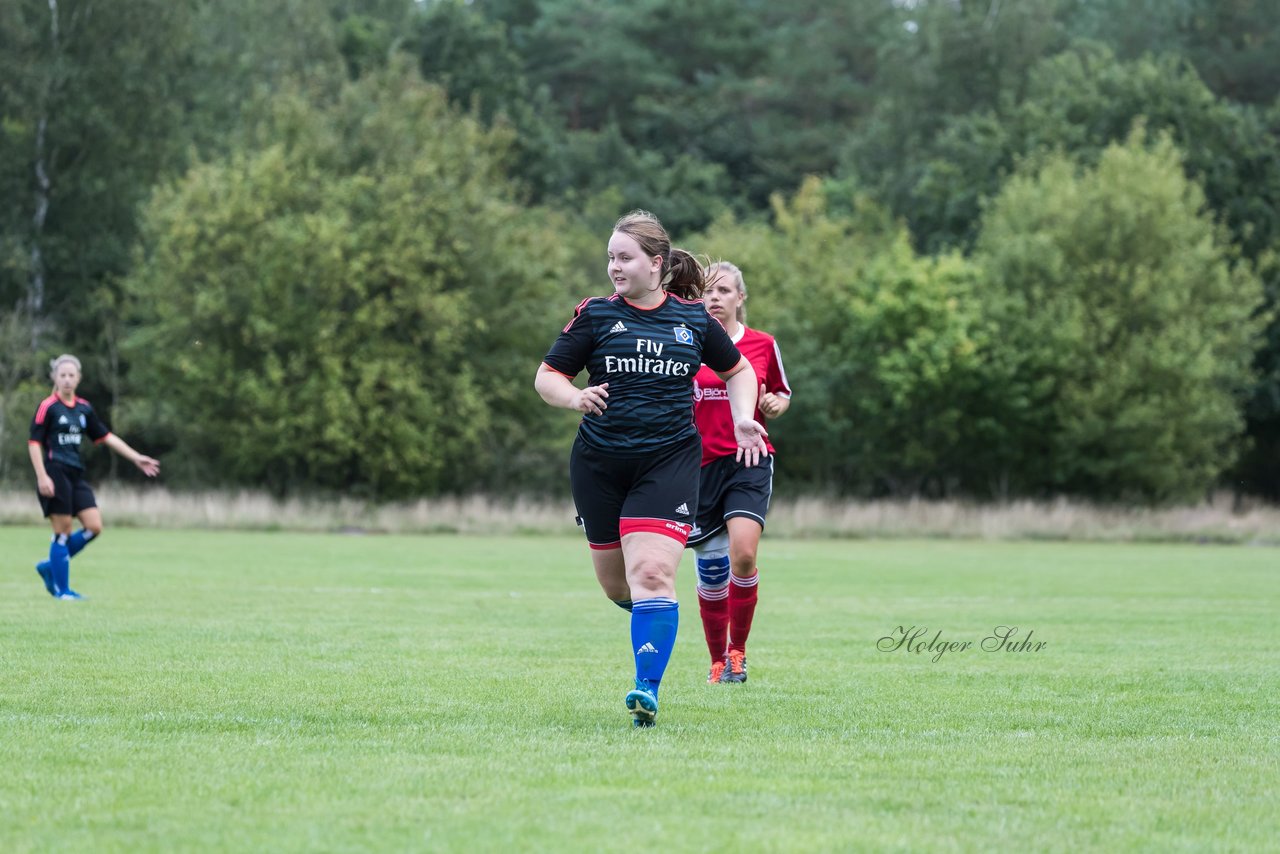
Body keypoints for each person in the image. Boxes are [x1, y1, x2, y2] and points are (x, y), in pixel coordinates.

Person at [535, 211, 769, 728]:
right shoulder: (595, 315)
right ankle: (652, 615)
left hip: (668, 462)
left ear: (655, 264)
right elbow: (546, 376)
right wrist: (574, 396)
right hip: (599, 465)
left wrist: (743, 419)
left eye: (625, 258)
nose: (614, 267)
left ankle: (647, 690)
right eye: (611, 258)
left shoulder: (692, 320)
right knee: (619, 587)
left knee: (654, 575)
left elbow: (740, 370)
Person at [688, 262, 791, 685]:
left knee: (744, 555)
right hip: (697, 467)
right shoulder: (687, 341)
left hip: (748, 460)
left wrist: (773, 406)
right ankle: (716, 660)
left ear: (740, 298)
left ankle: (738, 653)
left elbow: (782, 393)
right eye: (708, 291)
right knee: (712, 570)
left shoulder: (763, 345)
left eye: (724, 290)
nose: (715, 298)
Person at [28, 354, 161, 600]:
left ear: (78, 378)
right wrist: (42, 476)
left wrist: (135, 457)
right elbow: (34, 443)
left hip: (75, 473)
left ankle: (50, 566)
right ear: (55, 378)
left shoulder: (84, 409)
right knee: (63, 531)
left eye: (71, 375)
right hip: (54, 472)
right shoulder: (48, 407)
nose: (67, 379)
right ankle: (62, 591)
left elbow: (106, 436)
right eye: (62, 375)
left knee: (94, 526)